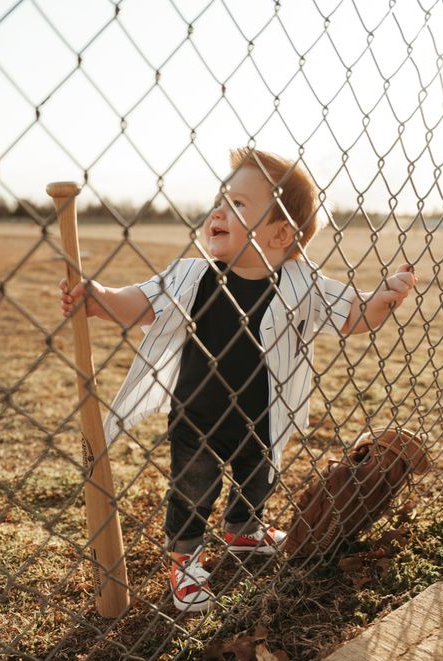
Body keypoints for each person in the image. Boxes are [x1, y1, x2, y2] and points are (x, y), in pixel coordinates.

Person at [59, 147, 417, 612]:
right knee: (192, 490)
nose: (218, 213)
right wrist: (99, 298)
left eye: (238, 205)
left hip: (265, 416)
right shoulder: (192, 276)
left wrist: (381, 300)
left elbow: (351, 315)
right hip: (198, 416)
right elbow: (141, 302)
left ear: (281, 232)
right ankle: (185, 560)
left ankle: (243, 529)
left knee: (258, 476)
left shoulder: (301, 284)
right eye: (219, 202)